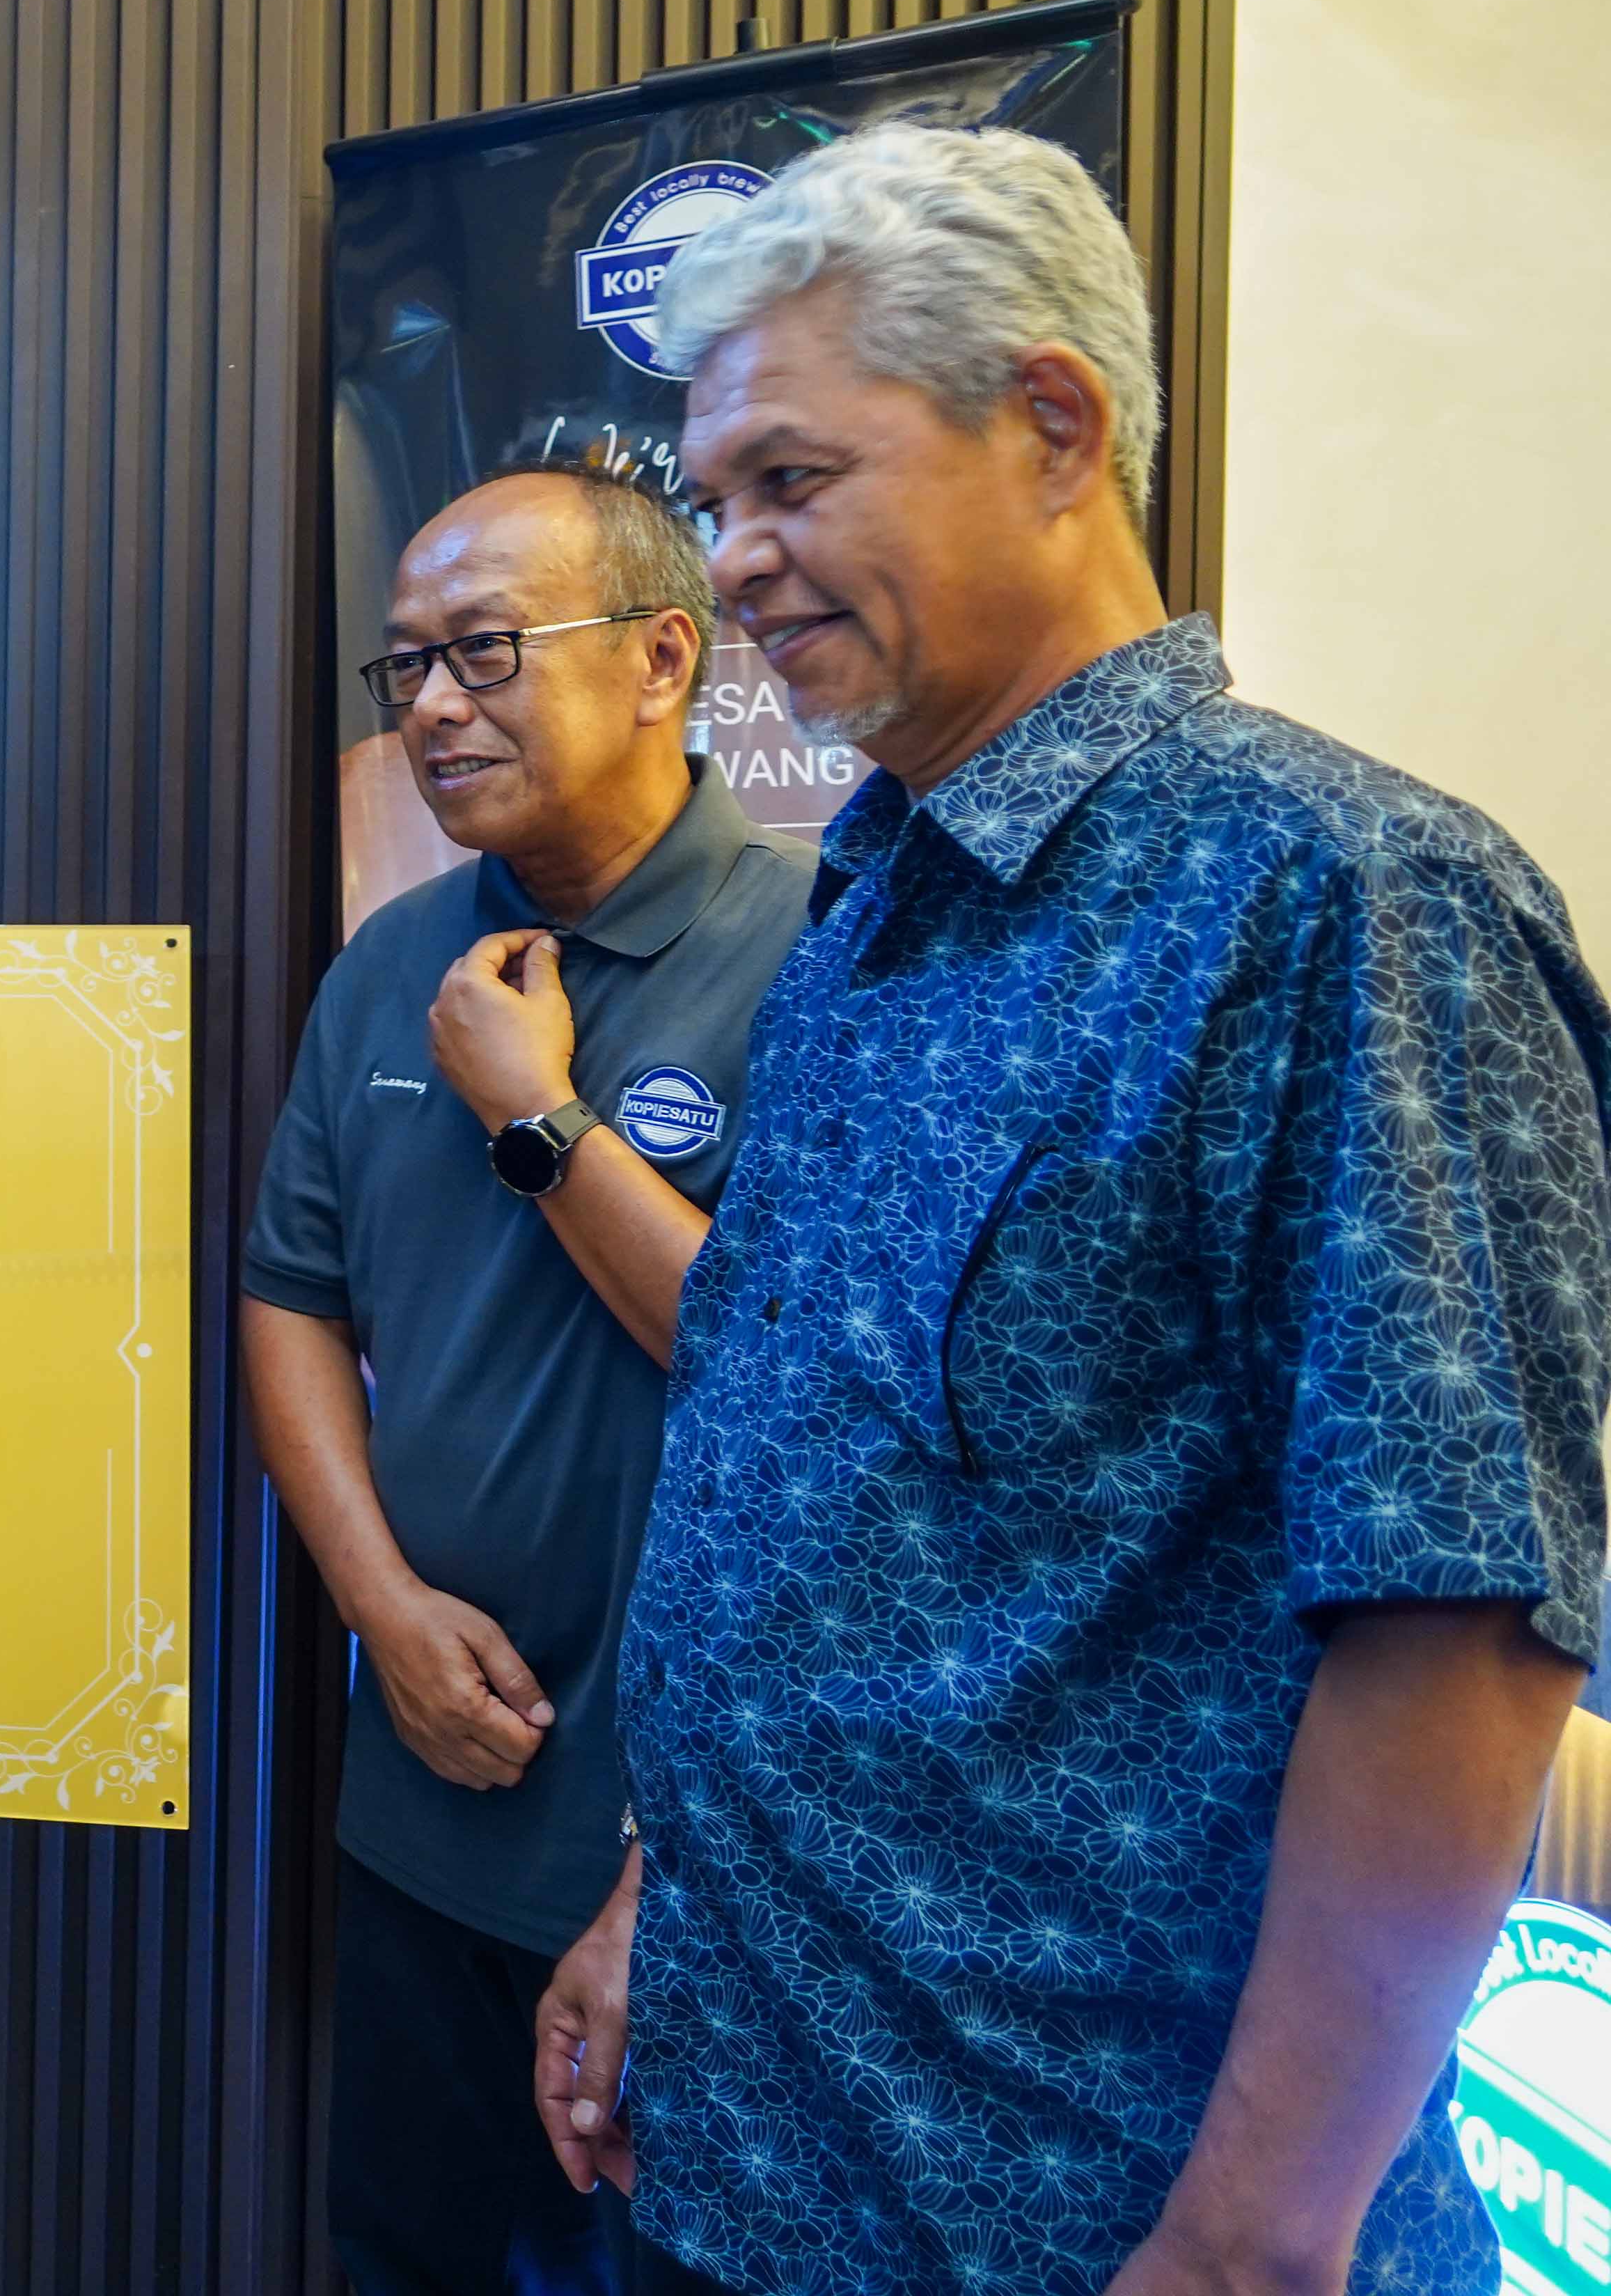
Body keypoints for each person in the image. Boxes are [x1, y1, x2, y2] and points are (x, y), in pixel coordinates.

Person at [535, 125, 1611, 2292]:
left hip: (1083, 2217)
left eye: (790, 479)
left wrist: (1246, 2239)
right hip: (755, 2158)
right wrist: (666, 1893)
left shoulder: (1341, 900)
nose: (735, 563)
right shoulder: (865, 910)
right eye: (714, 499)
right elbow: (809, 1500)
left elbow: (1461, 1632)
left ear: (1050, 426)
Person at [242, 463, 810, 2295]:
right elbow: (289, 1297)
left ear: (663, 660)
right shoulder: (393, 964)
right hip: (425, 1808)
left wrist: (540, 1115)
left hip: (693, 1863)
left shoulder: (826, 952)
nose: (431, 706)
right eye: (405, 664)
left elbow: (794, 1374)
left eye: (484, 650)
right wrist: (380, 1608)